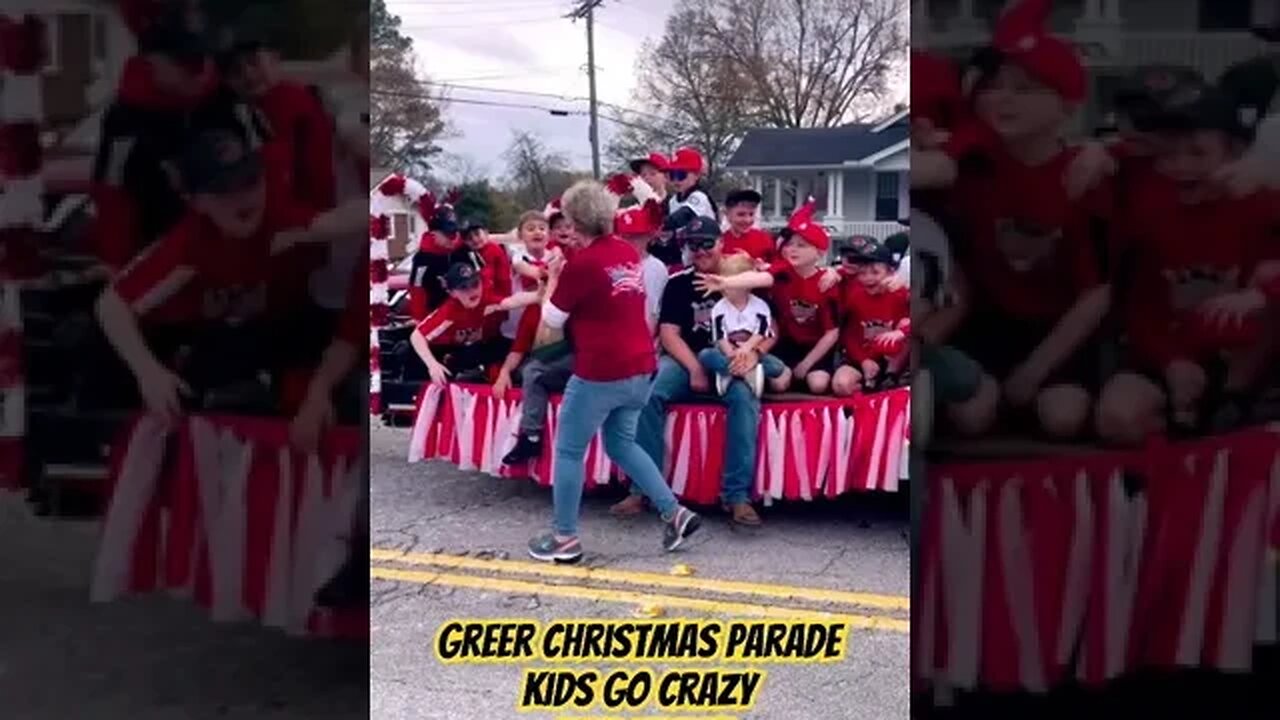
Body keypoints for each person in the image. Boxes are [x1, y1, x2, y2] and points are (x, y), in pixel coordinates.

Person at [943, 20, 1112, 440]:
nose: (1004, 101)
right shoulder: (967, 171)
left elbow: (1097, 292)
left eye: (1024, 89)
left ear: (1067, 104)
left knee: (1063, 416)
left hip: (1057, 330)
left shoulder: (1087, 176)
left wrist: (1033, 372)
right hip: (984, 324)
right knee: (970, 416)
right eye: (995, 87)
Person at [94, 127, 325, 419]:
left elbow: (340, 220)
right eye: (224, 189)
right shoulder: (191, 244)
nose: (242, 196)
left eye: (249, 181)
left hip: (266, 342)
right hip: (182, 348)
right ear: (196, 200)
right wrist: (149, 373)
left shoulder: (278, 214)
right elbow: (111, 304)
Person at [1094, 86, 1280, 444]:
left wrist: (1260, 293)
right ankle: (1187, 430)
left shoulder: (1264, 204)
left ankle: (1233, 404)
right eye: (1169, 154)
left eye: (1198, 153)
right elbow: (1139, 305)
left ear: (1235, 155)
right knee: (1117, 418)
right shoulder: (1147, 207)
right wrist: (1171, 362)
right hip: (1169, 349)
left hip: (1245, 357)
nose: (1181, 167)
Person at [528, 181, 702, 562]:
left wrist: (554, 276)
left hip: (600, 371)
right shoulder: (625, 251)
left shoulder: (581, 265)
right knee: (623, 443)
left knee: (570, 451)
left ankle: (565, 538)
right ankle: (674, 512)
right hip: (641, 365)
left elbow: (552, 319)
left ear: (576, 223)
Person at [90, 6, 269, 270]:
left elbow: (268, 170)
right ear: (150, 61)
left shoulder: (227, 102)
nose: (200, 68)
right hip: (167, 270)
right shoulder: (126, 122)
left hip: (238, 262)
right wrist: (125, 276)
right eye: (186, 62)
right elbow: (113, 206)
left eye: (203, 57)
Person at [625, 215, 773, 527]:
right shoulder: (678, 282)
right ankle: (643, 489)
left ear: (721, 243)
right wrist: (694, 368)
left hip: (735, 358)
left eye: (706, 243)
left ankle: (737, 496)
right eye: (693, 245)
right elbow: (669, 334)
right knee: (647, 394)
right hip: (686, 359)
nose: (700, 251)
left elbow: (771, 329)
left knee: (744, 400)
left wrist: (753, 353)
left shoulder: (742, 276)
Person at [698, 200, 841, 394]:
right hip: (786, 344)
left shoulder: (827, 282)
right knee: (778, 384)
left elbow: (832, 332)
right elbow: (759, 278)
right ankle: (740, 373)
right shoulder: (783, 270)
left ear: (819, 252)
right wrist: (725, 283)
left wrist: (807, 364)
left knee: (818, 384)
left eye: (801, 245)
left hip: (815, 346)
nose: (792, 249)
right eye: (789, 244)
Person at [215, 21, 337, 213]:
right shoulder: (258, 110)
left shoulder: (287, 100)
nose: (248, 74)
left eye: (253, 61)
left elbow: (299, 175)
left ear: (274, 57)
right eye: (235, 70)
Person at [411, 263, 535, 386]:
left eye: (475, 284)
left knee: (500, 345)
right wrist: (432, 365)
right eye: (464, 287)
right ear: (453, 293)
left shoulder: (484, 301)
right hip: (438, 354)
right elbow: (416, 336)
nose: (472, 291)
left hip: (464, 349)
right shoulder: (449, 312)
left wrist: (539, 296)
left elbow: (511, 302)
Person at [832, 234, 912, 395]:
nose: (868, 278)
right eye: (862, 273)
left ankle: (892, 377)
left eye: (875, 272)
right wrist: (864, 361)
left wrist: (901, 332)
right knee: (841, 384)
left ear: (891, 272)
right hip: (863, 355)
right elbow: (849, 335)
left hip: (894, 356)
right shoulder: (855, 296)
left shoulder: (901, 293)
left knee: (905, 326)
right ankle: (869, 393)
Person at [701, 253, 787, 397]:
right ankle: (738, 372)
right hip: (727, 352)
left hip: (751, 351)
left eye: (732, 285)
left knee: (777, 367)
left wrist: (747, 349)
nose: (725, 288)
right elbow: (719, 335)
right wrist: (731, 354)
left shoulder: (760, 306)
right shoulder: (719, 307)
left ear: (747, 286)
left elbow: (762, 332)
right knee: (705, 355)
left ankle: (739, 372)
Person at [613, 199, 670, 334]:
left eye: (635, 237)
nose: (628, 242)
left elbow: (652, 314)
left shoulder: (654, 267)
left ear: (648, 236)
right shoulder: (612, 264)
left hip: (641, 337)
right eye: (624, 236)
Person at [655, 147, 717, 267]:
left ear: (697, 175)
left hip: (707, 256)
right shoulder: (673, 201)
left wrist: (656, 225)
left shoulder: (699, 196)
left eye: (681, 174)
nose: (676, 180)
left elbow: (683, 216)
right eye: (672, 175)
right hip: (685, 258)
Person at [721, 189, 777, 266]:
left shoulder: (764, 239)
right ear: (727, 214)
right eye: (741, 214)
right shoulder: (720, 242)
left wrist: (760, 265)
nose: (748, 220)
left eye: (751, 214)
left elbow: (778, 268)